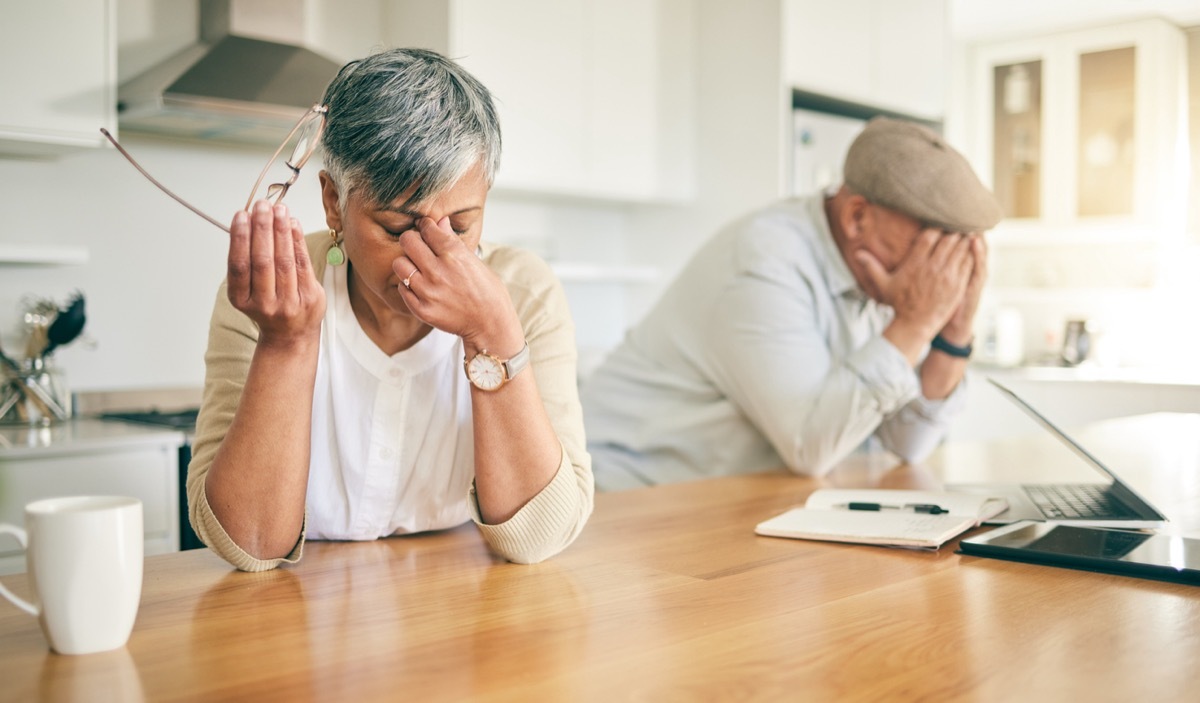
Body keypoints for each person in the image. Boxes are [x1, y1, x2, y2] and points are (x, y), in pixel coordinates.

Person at [187, 48, 593, 572]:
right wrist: (284, 344)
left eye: (463, 226)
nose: (433, 255)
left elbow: (541, 537)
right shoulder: (271, 294)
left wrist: (494, 333)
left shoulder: (524, 293)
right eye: (399, 228)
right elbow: (249, 542)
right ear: (334, 202)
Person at [581, 117, 1002, 490]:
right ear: (857, 217)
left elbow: (908, 444)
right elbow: (811, 447)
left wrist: (953, 334)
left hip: (729, 500)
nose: (939, 271)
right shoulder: (766, 259)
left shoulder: (879, 276)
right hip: (628, 502)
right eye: (930, 245)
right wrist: (915, 324)